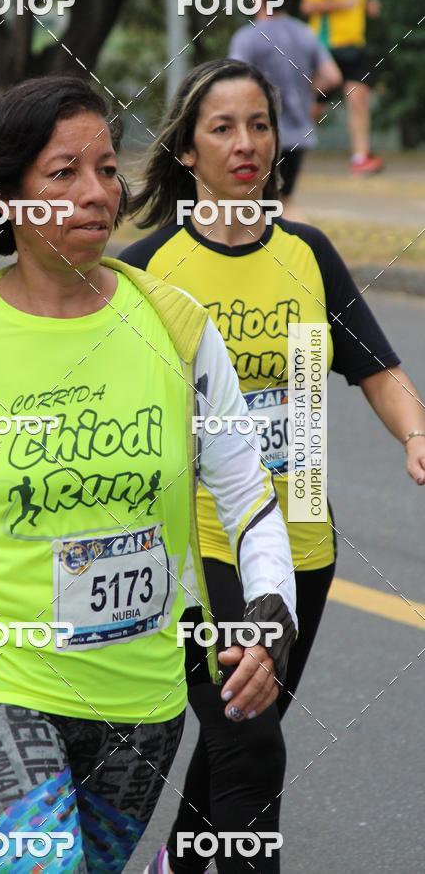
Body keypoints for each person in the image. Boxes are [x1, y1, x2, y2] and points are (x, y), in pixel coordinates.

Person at [0, 76, 298, 872]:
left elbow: (247, 494)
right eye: (63, 173)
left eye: (108, 169)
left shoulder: (174, 327)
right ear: (7, 196)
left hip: (136, 708)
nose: (96, 193)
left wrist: (269, 610)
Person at [119, 59, 425, 874]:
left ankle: (177, 866)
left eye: (259, 124)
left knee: (236, 734)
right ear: (186, 151)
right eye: (222, 127)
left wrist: (414, 432)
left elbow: (376, 366)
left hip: (303, 546)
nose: (246, 143)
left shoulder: (309, 255)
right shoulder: (148, 273)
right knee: (251, 744)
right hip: (201, 545)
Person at [229, 0, 342, 218]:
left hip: (259, 134)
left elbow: (234, 82)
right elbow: (332, 76)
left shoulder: (247, 37)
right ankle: (300, 250)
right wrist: (310, 95)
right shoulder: (306, 34)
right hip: (298, 133)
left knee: (256, 203)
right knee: (284, 200)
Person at [301, 0, 383, 174]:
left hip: (354, 47)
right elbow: (307, 6)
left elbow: (356, 3)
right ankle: (287, 151)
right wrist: (341, 4)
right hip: (326, 47)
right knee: (315, 105)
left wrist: (367, 6)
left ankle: (360, 157)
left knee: (359, 98)